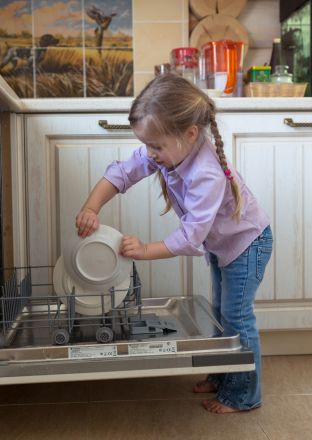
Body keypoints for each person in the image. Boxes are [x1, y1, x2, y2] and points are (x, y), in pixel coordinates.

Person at [74, 74, 273, 414]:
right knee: (221, 313)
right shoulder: (168, 150)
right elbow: (123, 172)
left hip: (247, 245)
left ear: (189, 134)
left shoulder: (205, 173)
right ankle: (224, 374)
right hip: (223, 245)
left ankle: (243, 395)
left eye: (156, 146)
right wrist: (92, 206)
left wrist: (145, 250)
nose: (150, 154)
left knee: (237, 317)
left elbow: (191, 235)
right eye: (147, 145)